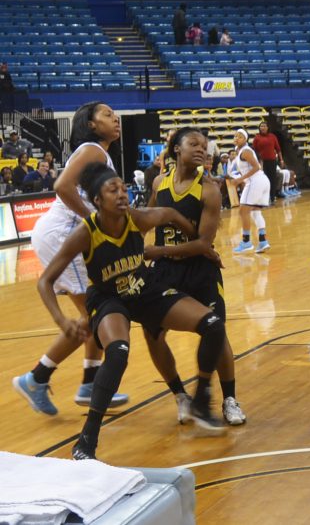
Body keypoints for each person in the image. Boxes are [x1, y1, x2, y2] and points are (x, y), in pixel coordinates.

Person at [36, 161, 228, 460]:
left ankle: (201, 399)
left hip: (145, 289)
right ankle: (86, 441)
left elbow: (172, 214)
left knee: (213, 324)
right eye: (113, 190)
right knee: (119, 351)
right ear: (97, 200)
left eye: (123, 188)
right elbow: (45, 281)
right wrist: (61, 319)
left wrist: (202, 245)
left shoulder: (137, 219)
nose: (122, 194)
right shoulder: (86, 233)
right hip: (109, 299)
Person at [13, 103, 133, 417]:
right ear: (91, 124)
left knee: (94, 311)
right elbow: (62, 186)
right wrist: (95, 221)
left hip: (62, 233)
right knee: (96, 311)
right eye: (107, 115)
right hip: (63, 233)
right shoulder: (92, 149)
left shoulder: (98, 153)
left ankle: (58, 379)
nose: (115, 118)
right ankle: (49, 380)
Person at [144, 127, 246, 427]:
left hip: (199, 269)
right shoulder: (160, 182)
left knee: (217, 333)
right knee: (153, 335)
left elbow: (203, 244)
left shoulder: (210, 189)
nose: (202, 149)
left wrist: (158, 251)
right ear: (177, 149)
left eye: (205, 145)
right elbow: (146, 219)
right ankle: (180, 396)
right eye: (194, 144)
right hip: (165, 272)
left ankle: (228, 398)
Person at [228, 129, 271, 254]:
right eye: (235, 136)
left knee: (243, 211)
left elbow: (257, 167)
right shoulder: (240, 151)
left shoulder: (245, 151)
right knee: (256, 213)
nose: (236, 138)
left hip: (255, 182)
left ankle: (246, 242)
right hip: (262, 181)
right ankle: (263, 241)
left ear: (245, 139)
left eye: (240, 136)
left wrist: (240, 180)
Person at [251, 121, 283, 203]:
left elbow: (278, 149)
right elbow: (253, 150)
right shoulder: (257, 138)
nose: (263, 127)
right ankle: (264, 197)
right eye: (261, 126)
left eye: (264, 126)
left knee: (272, 179)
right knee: (264, 180)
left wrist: (281, 159)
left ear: (268, 127)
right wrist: (258, 161)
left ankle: (272, 197)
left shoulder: (272, 136)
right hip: (262, 162)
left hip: (272, 161)